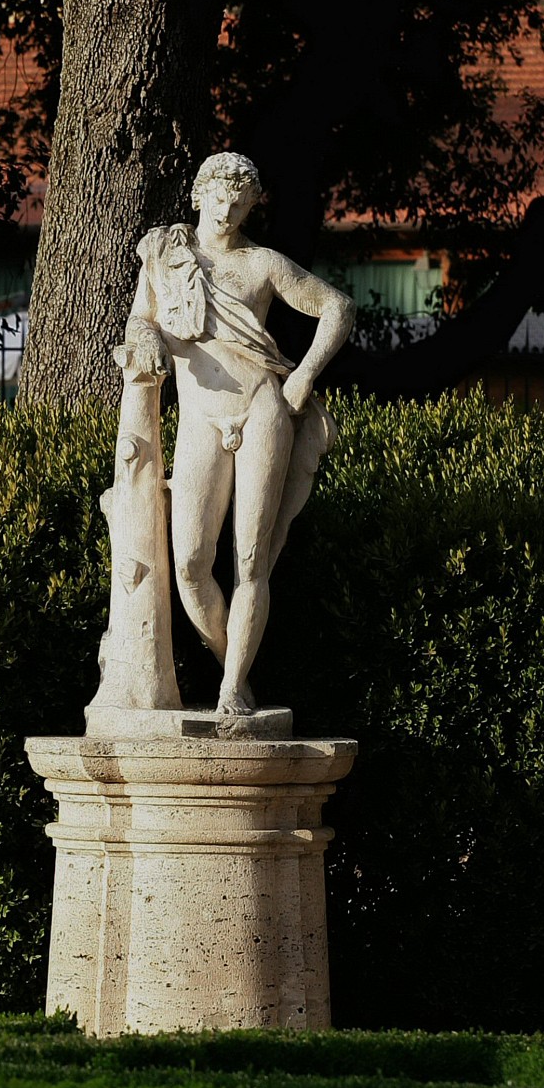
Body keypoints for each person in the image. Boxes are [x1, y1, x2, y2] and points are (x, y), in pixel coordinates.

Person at [122, 151, 354, 717]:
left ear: (250, 206)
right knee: (190, 566)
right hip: (200, 417)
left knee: (251, 559)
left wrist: (301, 378)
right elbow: (140, 319)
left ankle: (230, 693)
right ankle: (235, 667)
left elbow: (337, 308)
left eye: (238, 201)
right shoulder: (163, 256)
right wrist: (146, 338)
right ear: (198, 196)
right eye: (218, 197)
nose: (226, 210)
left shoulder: (262, 265)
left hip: (262, 410)